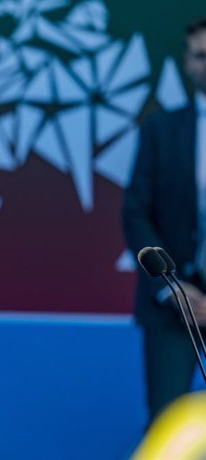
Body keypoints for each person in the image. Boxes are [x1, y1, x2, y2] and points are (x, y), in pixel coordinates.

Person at [123, 16, 206, 424]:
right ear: (188, 63)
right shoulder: (160, 130)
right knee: (167, 424)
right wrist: (173, 286)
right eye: (201, 56)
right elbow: (136, 212)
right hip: (172, 307)